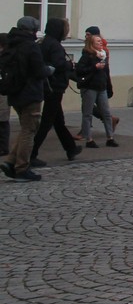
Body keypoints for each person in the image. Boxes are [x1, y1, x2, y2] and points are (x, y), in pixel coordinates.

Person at [1, 17, 53, 181]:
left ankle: (10, 162)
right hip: (30, 93)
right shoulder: (31, 46)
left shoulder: (11, 43)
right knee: (29, 130)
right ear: (32, 30)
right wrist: (49, 70)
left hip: (14, 92)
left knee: (25, 128)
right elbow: (38, 70)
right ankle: (22, 167)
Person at [29, 18, 82, 167]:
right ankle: (31, 153)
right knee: (47, 121)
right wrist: (69, 64)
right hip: (55, 86)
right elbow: (58, 64)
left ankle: (70, 148)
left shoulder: (43, 43)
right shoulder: (55, 46)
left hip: (48, 85)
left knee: (58, 120)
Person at [76, 31, 117, 148]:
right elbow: (80, 70)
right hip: (89, 87)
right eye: (98, 41)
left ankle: (110, 137)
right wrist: (94, 67)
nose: (100, 43)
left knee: (106, 113)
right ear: (91, 44)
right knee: (87, 113)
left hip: (101, 87)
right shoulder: (87, 55)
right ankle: (89, 139)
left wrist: (108, 86)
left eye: (100, 41)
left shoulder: (103, 55)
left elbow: (106, 72)